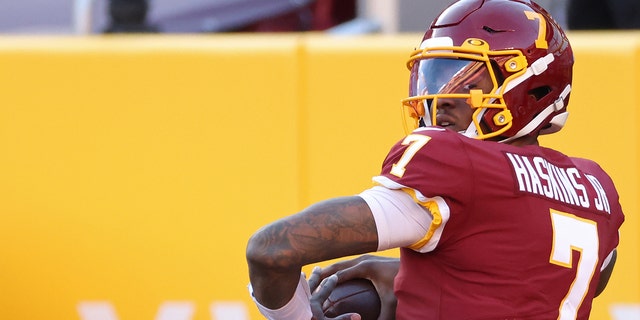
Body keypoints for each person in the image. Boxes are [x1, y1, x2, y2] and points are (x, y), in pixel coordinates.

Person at [245, 0, 625, 319]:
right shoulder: (595, 187)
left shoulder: (453, 161)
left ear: (534, 85)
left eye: (468, 81)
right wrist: (413, 274)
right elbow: (552, 273)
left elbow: (272, 250)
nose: (441, 96)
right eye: (436, 77)